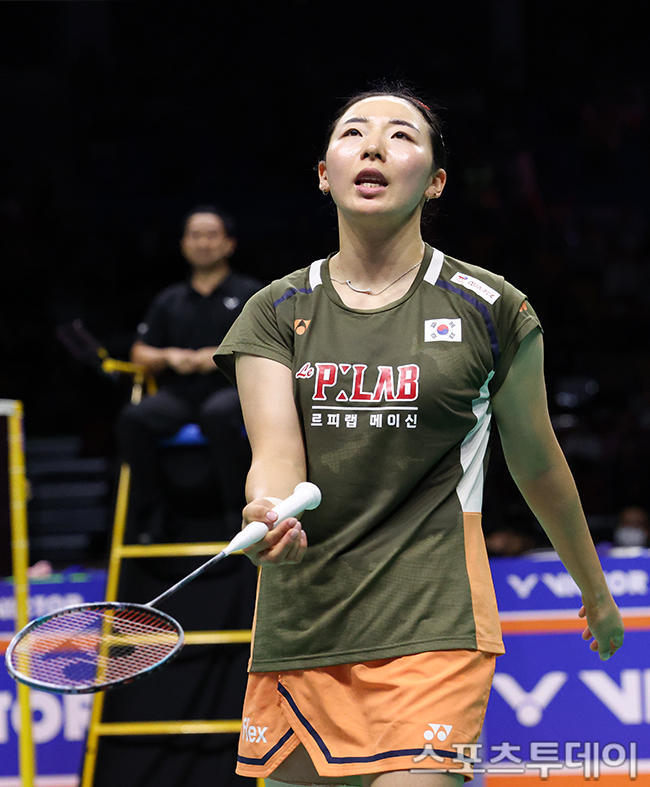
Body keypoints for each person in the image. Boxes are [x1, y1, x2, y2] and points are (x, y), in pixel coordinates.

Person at [214, 85, 625, 787]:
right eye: (353, 132)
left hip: (435, 621)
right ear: (325, 174)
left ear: (435, 182)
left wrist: (595, 590)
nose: (374, 145)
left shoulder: (491, 308)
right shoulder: (275, 310)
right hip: (304, 625)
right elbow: (276, 452)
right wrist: (269, 509)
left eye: (401, 135)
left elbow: (537, 464)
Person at [117, 205, 262, 538]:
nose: (203, 243)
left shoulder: (251, 294)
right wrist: (169, 356)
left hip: (233, 391)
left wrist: (220, 355)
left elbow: (273, 345)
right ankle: (153, 517)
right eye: (195, 236)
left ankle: (236, 513)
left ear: (229, 244)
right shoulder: (169, 300)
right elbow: (139, 353)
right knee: (133, 420)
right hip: (180, 394)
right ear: (183, 245)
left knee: (218, 414)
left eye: (211, 235)